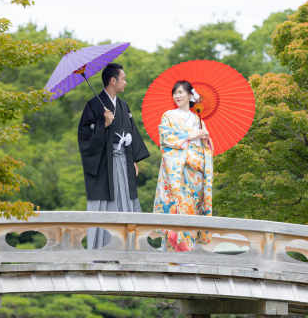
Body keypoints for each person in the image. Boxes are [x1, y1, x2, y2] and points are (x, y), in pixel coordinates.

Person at [77, 63, 150, 249]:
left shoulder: (123, 106)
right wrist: (104, 124)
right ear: (113, 80)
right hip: (104, 166)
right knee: (105, 203)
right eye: (123, 78)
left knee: (125, 199)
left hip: (124, 161)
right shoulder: (93, 105)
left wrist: (133, 159)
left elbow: (131, 131)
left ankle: (125, 247)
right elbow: (85, 136)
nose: (125, 82)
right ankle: (101, 249)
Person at [153, 80, 214, 252]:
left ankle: (188, 252)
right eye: (175, 92)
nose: (177, 96)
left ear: (190, 95)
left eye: (181, 92)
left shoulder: (198, 119)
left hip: (196, 174)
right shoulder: (169, 116)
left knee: (192, 210)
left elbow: (207, 149)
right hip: (178, 173)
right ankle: (177, 252)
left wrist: (205, 139)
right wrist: (190, 135)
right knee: (178, 209)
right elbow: (165, 139)